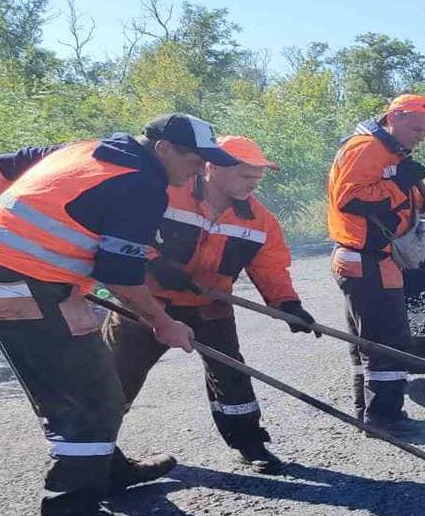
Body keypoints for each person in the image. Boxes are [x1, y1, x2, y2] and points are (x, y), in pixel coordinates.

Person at [0, 113, 238, 516]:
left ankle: (105, 470)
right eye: (194, 159)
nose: (200, 169)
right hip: (23, 287)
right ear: (164, 149)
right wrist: (164, 323)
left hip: (25, 279)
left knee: (96, 378)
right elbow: (122, 277)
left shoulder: (84, 149)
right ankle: (68, 515)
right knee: (87, 400)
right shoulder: (142, 186)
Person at [102, 135, 316, 475]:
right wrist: (155, 263)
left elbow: (270, 265)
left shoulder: (259, 219)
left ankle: (249, 442)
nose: (254, 184)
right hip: (146, 302)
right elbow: (124, 234)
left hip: (209, 307)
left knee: (231, 376)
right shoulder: (166, 193)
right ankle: (96, 457)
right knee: (116, 377)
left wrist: (287, 303)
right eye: (246, 176)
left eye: (258, 177)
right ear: (213, 167)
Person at [326, 94, 425, 432]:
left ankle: (371, 411)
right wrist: (398, 183)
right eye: (417, 128)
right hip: (365, 258)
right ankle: (384, 417)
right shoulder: (366, 148)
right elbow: (352, 199)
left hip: (375, 259)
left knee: (369, 341)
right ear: (396, 117)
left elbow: (402, 199)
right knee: (387, 341)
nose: (420, 136)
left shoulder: (391, 153)